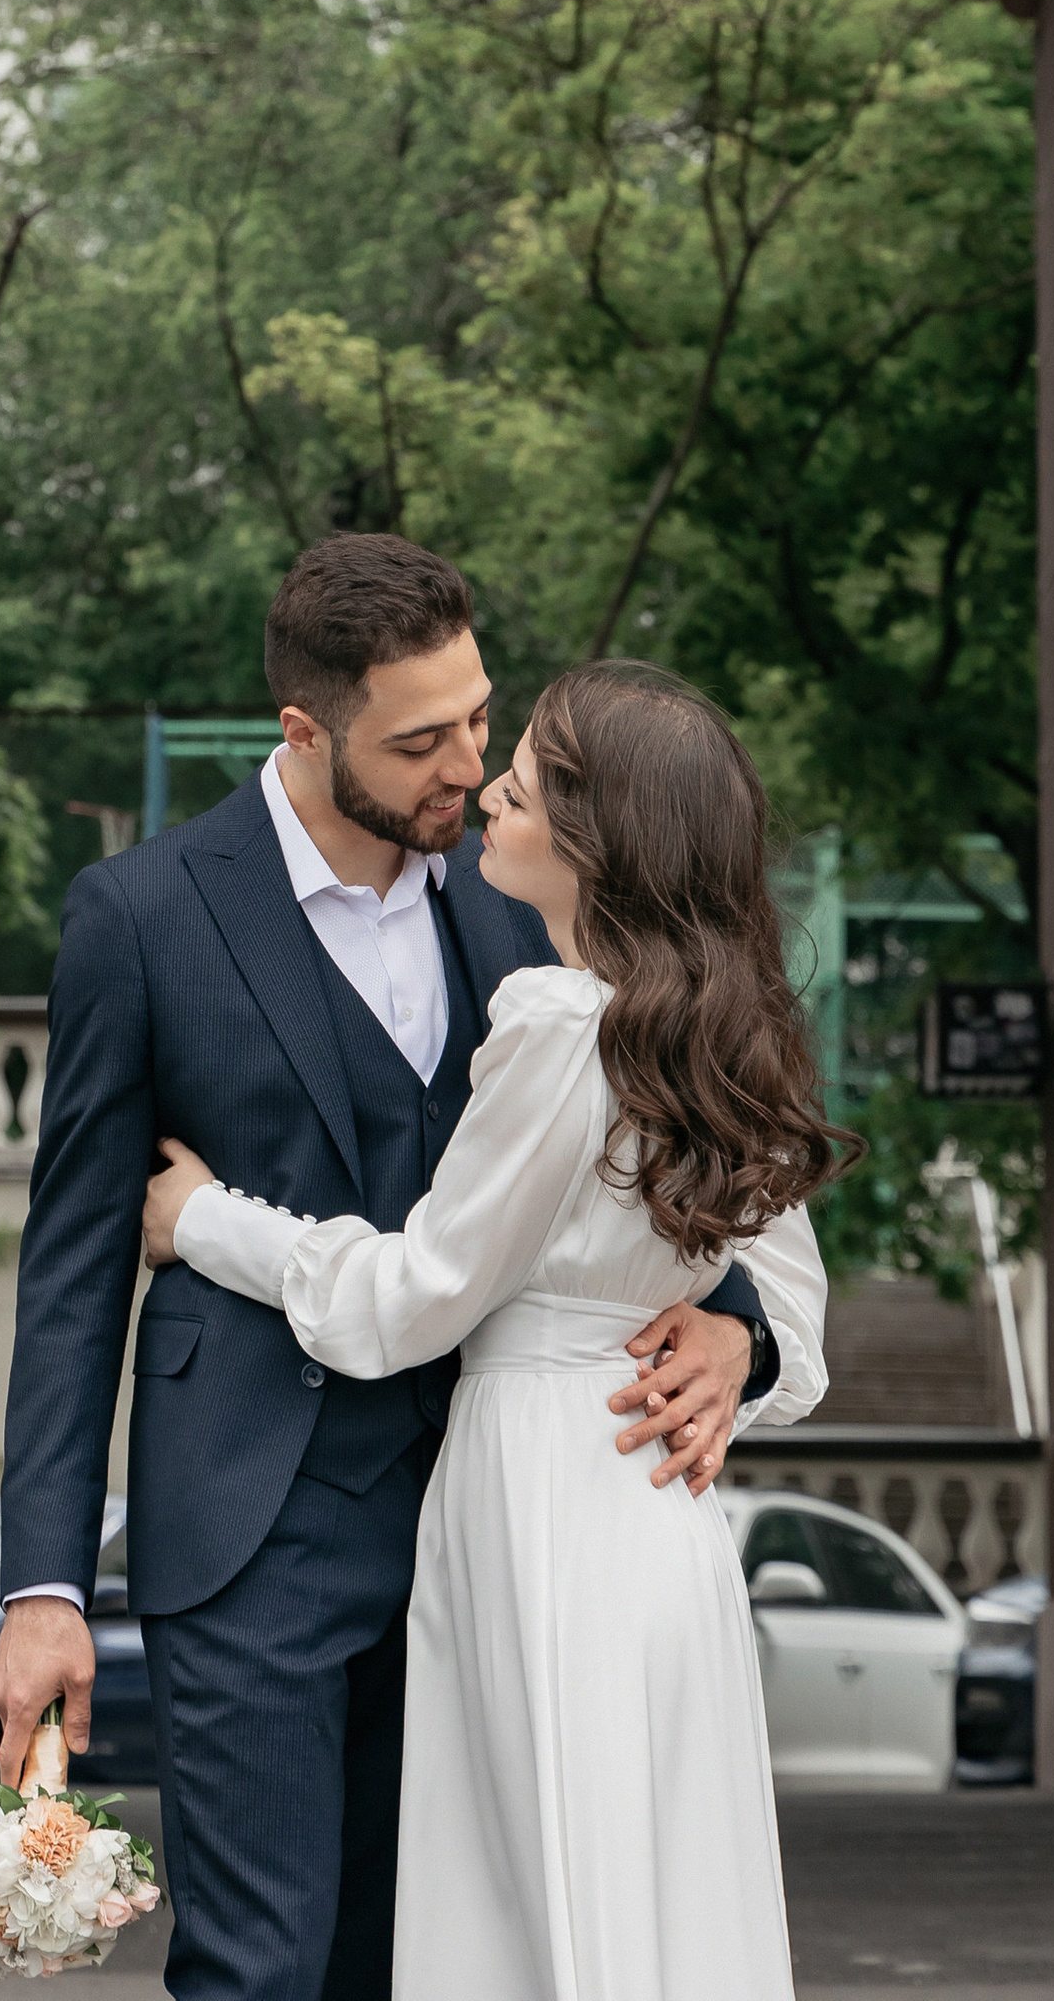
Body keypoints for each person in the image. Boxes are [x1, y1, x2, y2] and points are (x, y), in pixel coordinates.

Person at [0, 538, 783, 2001]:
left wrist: (740, 1331)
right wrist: (43, 1583)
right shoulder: (144, 917)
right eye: (423, 740)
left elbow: (649, 1161)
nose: (473, 768)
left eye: (481, 718)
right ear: (304, 732)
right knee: (261, 1969)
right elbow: (73, 1267)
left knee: (441, 1960)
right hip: (251, 1522)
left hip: (496, 1534)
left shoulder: (529, 901)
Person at [149, 657, 836, 2001]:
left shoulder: (563, 1028)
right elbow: (803, 1334)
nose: (489, 786)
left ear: (599, 838)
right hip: (660, 1529)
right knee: (647, 1897)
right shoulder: (722, 1030)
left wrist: (208, 1221)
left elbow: (414, 1298)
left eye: (524, 779)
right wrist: (737, 1347)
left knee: (531, 1905)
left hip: (545, 1507)